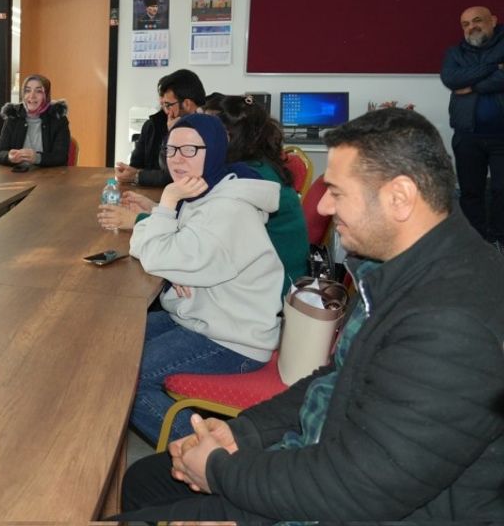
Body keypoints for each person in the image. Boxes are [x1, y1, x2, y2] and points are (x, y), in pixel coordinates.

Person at [117, 108, 504, 523]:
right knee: (144, 481)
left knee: (148, 497)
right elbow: (335, 376)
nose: (322, 205)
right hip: (327, 458)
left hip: (359, 503)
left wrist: (221, 472)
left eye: (336, 191)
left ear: (400, 197)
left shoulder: (452, 324)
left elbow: (363, 488)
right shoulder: (401, 267)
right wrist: (242, 432)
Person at [104, 113, 283, 444]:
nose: (177, 160)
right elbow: (149, 245)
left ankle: (210, 457)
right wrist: (170, 261)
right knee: (114, 341)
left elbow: (155, 252)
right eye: (171, 150)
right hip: (198, 317)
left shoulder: (228, 209)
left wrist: (168, 203)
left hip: (232, 339)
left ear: (212, 150)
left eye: (190, 150)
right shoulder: (208, 192)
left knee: (125, 379)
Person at [211, 94, 309, 294]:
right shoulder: (260, 165)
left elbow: (207, 239)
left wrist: (148, 218)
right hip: (280, 279)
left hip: (268, 292)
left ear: (229, 136)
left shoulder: (248, 178)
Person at [440, 5, 504, 246]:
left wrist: (473, 85)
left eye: (477, 20)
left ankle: (499, 240)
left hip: (501, 137)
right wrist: (494, 67)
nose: (471, 27)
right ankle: (474, 242)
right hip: (467, 135)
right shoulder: (455, 52)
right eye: (465, 24)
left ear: (493, 21)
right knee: (470, 192)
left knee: (502, 190)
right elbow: (451, 79)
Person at [116, 68, 206, 187]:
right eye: (162, 104)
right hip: (151, 193)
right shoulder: (152, 125)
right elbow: (135, 166)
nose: (166, 110)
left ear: (187, 104)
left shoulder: (208, 130)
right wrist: (129, 173)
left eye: (168, 105)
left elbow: (176, 175)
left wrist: (172, 134)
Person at [0, 74, 72, 168]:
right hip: (17, 175)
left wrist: (37, 158)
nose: (32, 96)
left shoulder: (57, 119)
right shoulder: (13, 116)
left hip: (48, 175)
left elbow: (61, 157)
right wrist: (9, 157)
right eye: (27, 91)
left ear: (46, 95)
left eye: (38, 91)